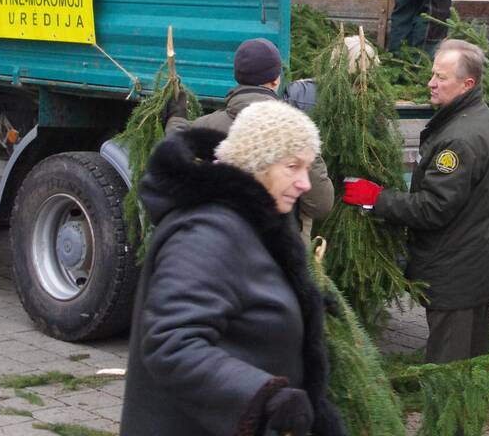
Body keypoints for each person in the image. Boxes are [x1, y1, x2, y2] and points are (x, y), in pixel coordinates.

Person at [120, 101, 346, 436]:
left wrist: (300, 304)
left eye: (307, 168)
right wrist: (263, 398)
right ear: (257, 162)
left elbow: (246, 288)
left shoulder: (254, 222)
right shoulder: (208, 233)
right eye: (292, 167)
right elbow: (171, 342)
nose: (305, 184)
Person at [341, 38, 489, 363]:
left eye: (441, 77)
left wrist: (377, 199)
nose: (431, 83)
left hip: (456, 270)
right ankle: (464, 415)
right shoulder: (476, 116)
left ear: (467, 83)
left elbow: (434, 208)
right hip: (471, 264)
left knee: (448, 369)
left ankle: (448, 415)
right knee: (467, 365)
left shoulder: (460, 139)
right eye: (433, 74)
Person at [161, 37, 334, 239]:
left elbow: (177, 165)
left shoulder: (204, 127)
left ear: (238, 78)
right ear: (276, 79)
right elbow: (321, 205)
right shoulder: (295, 135)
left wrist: (176, 119)